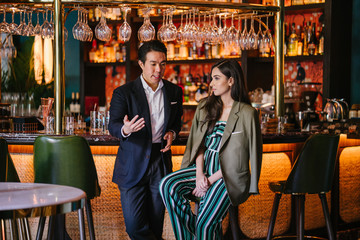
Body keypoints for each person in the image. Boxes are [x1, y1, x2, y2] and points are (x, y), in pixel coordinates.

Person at [159, 59, 262, 239]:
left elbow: (246, 155)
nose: (211, 83)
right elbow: (198, 145)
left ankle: (200, 231)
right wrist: (200, 175)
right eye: (211, 78)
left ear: (231, 80)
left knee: (205, 224)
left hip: (228, 175)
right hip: (202, 169)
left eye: (216, 78)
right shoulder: (204, 106)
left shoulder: (247, 113)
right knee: (167, 185)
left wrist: (209, 180)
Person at [108, 40, 183, 240]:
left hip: (160, 162)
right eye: (153, 63)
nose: (159, 69)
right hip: (133, 163)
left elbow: (177, 123)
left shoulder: (175, 92)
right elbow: (113, 125)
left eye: (163, 64)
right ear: (141, 64)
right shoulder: (124, 93)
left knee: (155, 225)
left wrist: (172, 134)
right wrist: (125, 129)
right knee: (134, 227)